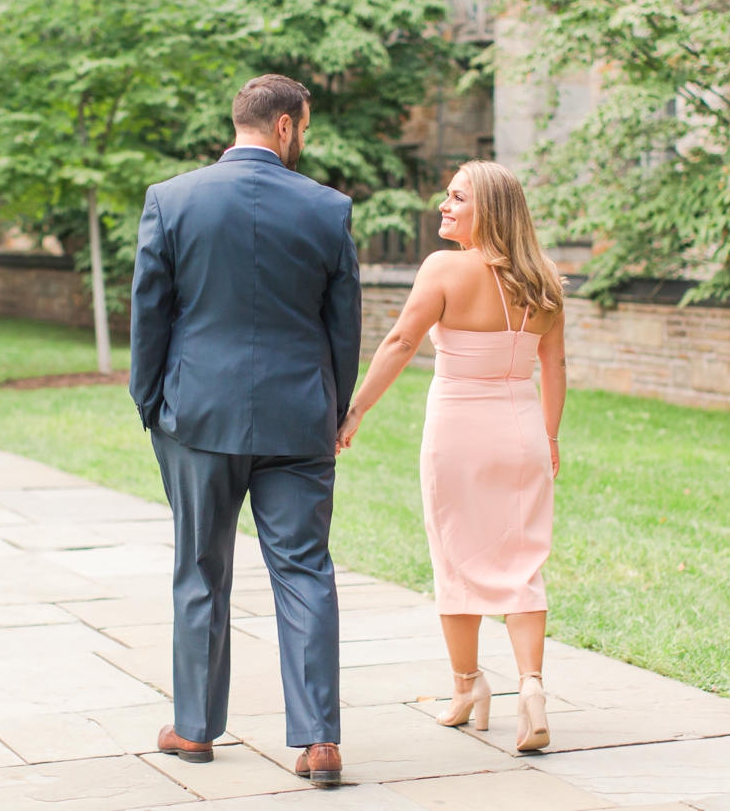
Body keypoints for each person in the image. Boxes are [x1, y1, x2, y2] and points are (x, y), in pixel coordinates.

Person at [129, 74, 361, 785]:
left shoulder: (172, 199)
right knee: (304, 569)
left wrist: (152, 404)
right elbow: (343, 327)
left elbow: (150, 316)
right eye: (306, 128)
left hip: (197, 413)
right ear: (287, 126)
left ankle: (194, 729)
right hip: (298, 418)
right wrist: (333, 405)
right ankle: (319, 739)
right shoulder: (329, 208)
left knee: (200, 566)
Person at [335, 160, 566, 754]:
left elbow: (402, 342)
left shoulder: (444, 268)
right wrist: (551, 437)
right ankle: (532, 689)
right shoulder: (544, 278)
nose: (444, 205)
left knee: (456, 559)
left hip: (459, 433)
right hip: (522, 435)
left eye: (457, 197)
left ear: (487, 209)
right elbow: (555, 366)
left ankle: (468, 688)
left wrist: (356, 409)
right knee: (522, 564)